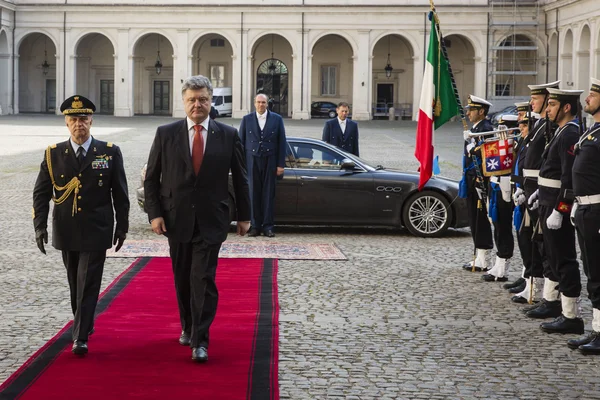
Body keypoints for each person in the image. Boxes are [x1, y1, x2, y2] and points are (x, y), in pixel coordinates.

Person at [144, 75, 251, 363]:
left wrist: (245, 215)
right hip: (176, 219)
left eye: (203, 99)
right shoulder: (166, 134)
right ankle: (188, 327)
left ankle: (200, 341)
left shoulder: (227, 135)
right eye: (192, 99)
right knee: (182, 279)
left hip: (211, 220)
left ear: (211, 100)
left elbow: (240, 178)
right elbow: (151, 178)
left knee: (203, 278)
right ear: (184, 102)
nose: (197, 104)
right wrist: (154, 214)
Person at [32, 95, 129, 355]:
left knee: (88, 281)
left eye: (83, 119)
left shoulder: (109, 151)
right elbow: (41, 193)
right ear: (66, 123)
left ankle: (80, 336)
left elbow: (120, 192)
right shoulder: (53, 154)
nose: (79, 124)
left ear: (91, 121)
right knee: (75, 281)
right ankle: (84, 323)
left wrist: (122, 226)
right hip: (67, 228)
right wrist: (39, 226)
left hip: (97, 228)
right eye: (73, 120)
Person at [529, 88, 583, 334]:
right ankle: (556, 305)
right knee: (551, 255)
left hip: (556, 203)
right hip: (548, 198)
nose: (547, 109)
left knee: (563, 258)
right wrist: (539, 192)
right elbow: (551, 170)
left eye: (551, 104)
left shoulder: (570, 133)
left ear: (566, 107)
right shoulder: (561, 132)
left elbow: (569, 177)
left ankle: (571, 315)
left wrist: (561, 209)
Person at [567, 77, 600, 353]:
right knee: (591, 271)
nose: (587, 99)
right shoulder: (591, 132)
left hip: (598, 210)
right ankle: (596, 330)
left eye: (593, 94)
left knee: (599, 273)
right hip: (586, 209)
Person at [239, 93, 287, 238]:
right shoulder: (246, 119)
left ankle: (268, 227)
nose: (261, 105)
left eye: (263, 102)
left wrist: (280, 165)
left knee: (268, 194)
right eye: (258, 102)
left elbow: (281, 142)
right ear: (254, 103)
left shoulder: (277, 119)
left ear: (267, 104)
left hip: (270, 160)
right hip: (251, 160)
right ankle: (255, 226)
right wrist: (241, 165)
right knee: (253, 194)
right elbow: (240, 143)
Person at [459, 95, 494, 272]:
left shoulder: (486, 129)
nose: (468, 112)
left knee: (480, 219)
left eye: (471, 110)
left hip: (480, 179)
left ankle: (484, 258)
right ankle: (479, 256)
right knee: (474, 218)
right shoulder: (475, 128)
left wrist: (474, 145)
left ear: (481, 111)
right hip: (472, 178)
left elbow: (486, 155)